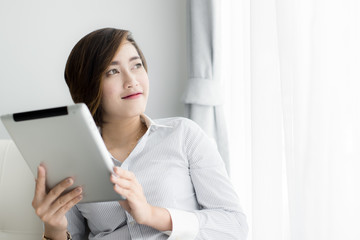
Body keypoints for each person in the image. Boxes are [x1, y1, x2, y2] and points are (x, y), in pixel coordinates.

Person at [32, 28, 248, 240]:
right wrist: (54, 230)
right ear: (88, 86)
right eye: (113, 71)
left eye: (137, 65)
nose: (132, 80)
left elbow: (235, 226)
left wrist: (151, 215)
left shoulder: (184, 135)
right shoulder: (72, 161)